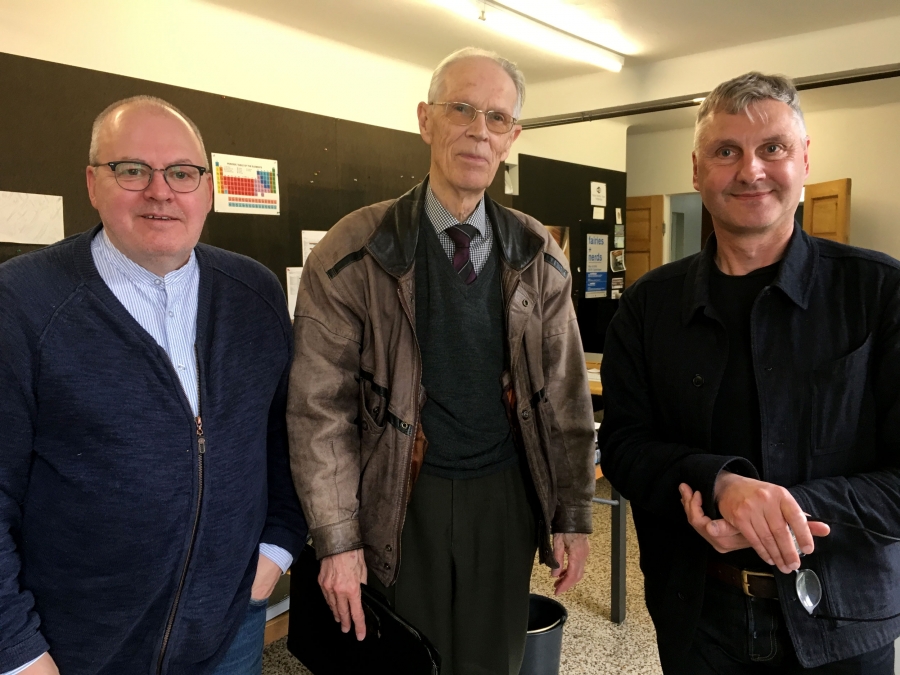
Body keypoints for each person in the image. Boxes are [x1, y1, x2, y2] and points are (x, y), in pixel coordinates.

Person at [287, 47, 595, 675]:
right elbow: (319, 411)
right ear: (426, 120)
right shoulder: (353, 252)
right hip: (400, 496)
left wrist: (572, 513)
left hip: (504, 496)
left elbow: (565, 395)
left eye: (497, 118)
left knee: (493, 660)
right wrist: (337, 539)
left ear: (512, 138)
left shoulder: (540, 253)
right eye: (462, 109)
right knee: (403, 659)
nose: (478, 130)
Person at [599, 71, 900, 674]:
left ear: (805, 159)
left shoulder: (879, 292)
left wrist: (781, 508)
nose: (750, 170)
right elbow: (625, 447)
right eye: (726, 151)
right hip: (697, 618)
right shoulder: (648, 305)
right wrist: (721, 485)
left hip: (843, 623)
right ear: (695, 169)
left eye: (773, 148)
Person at [0, 96, 307, 675]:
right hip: (75, 646)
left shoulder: (254, 295)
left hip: (229, 627)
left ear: (207, 189)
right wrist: (18, 653)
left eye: (182, 173)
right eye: (132, 169)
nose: (161, 192)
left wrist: (277, 548)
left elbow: (286, 436)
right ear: (93, 183)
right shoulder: (23, 305)